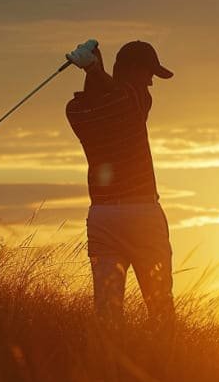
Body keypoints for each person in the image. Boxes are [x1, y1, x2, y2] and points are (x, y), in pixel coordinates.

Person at [64, 39, 175, 330]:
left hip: (102, 217)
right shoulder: (137, 100)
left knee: (107, 313)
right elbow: (117, 98)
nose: (151, 82)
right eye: (148, 73)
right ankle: (166, 368)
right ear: (132, 70)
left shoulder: (76, 111)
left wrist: (92, 70)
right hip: (142, 215)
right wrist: (93, 69)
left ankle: (108, 368)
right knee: (160, 305)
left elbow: (102, 97)